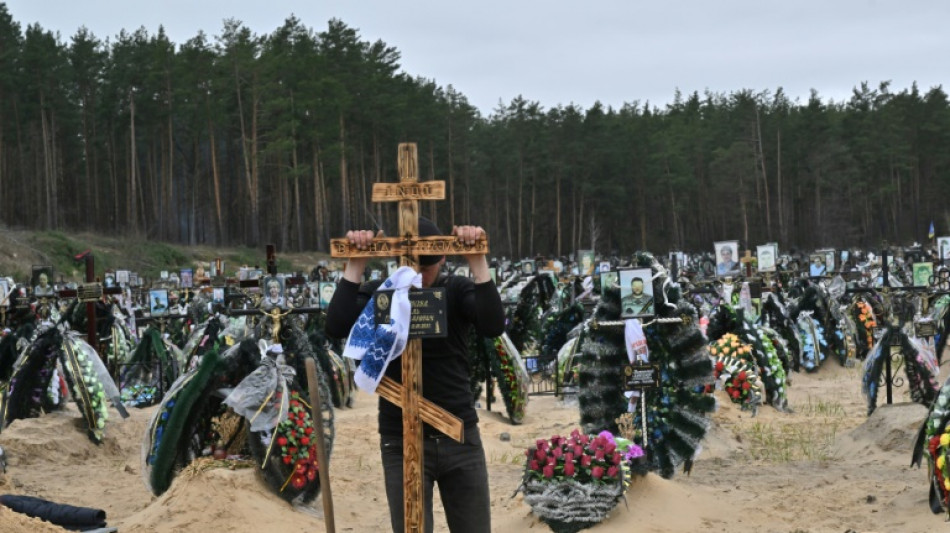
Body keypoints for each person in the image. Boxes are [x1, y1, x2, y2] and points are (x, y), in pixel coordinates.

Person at [325, 217, 504, 533]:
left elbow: (493, 324)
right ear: (398, 259)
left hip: (458, 435)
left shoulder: (455, 290)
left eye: (428, 265)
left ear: (444, 258)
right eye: (413, 264)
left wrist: (478, 260)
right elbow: (336, 326)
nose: (420, 273)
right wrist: (355, 264)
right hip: (401, 439)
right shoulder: (383, 295)